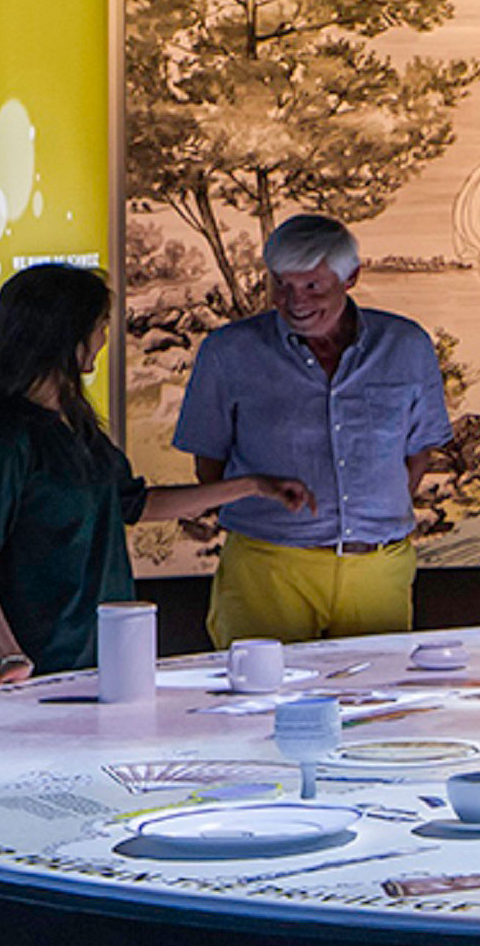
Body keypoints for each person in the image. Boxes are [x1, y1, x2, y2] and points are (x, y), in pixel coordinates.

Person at [0, 262, 317, 946]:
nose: (104, 339)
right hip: (25, 669)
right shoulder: (1, 437)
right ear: (64, 332)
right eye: (97, 325)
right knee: (6, 825)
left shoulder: (76, 427)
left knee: (68, 821)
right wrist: (8, 654)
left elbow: (132, 505)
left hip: (96, 658)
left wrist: (247, 489)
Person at [173, 215, 453, 646]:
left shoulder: (407, 346)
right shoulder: (228, 352)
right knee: (262, 690)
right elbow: (208, 463)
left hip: (377, 569)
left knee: (377, 689)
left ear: (351, 277)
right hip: (266, 569)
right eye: (281, 284)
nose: (294, 301)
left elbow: (419, 454)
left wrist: (370, 517)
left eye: (312, 286)